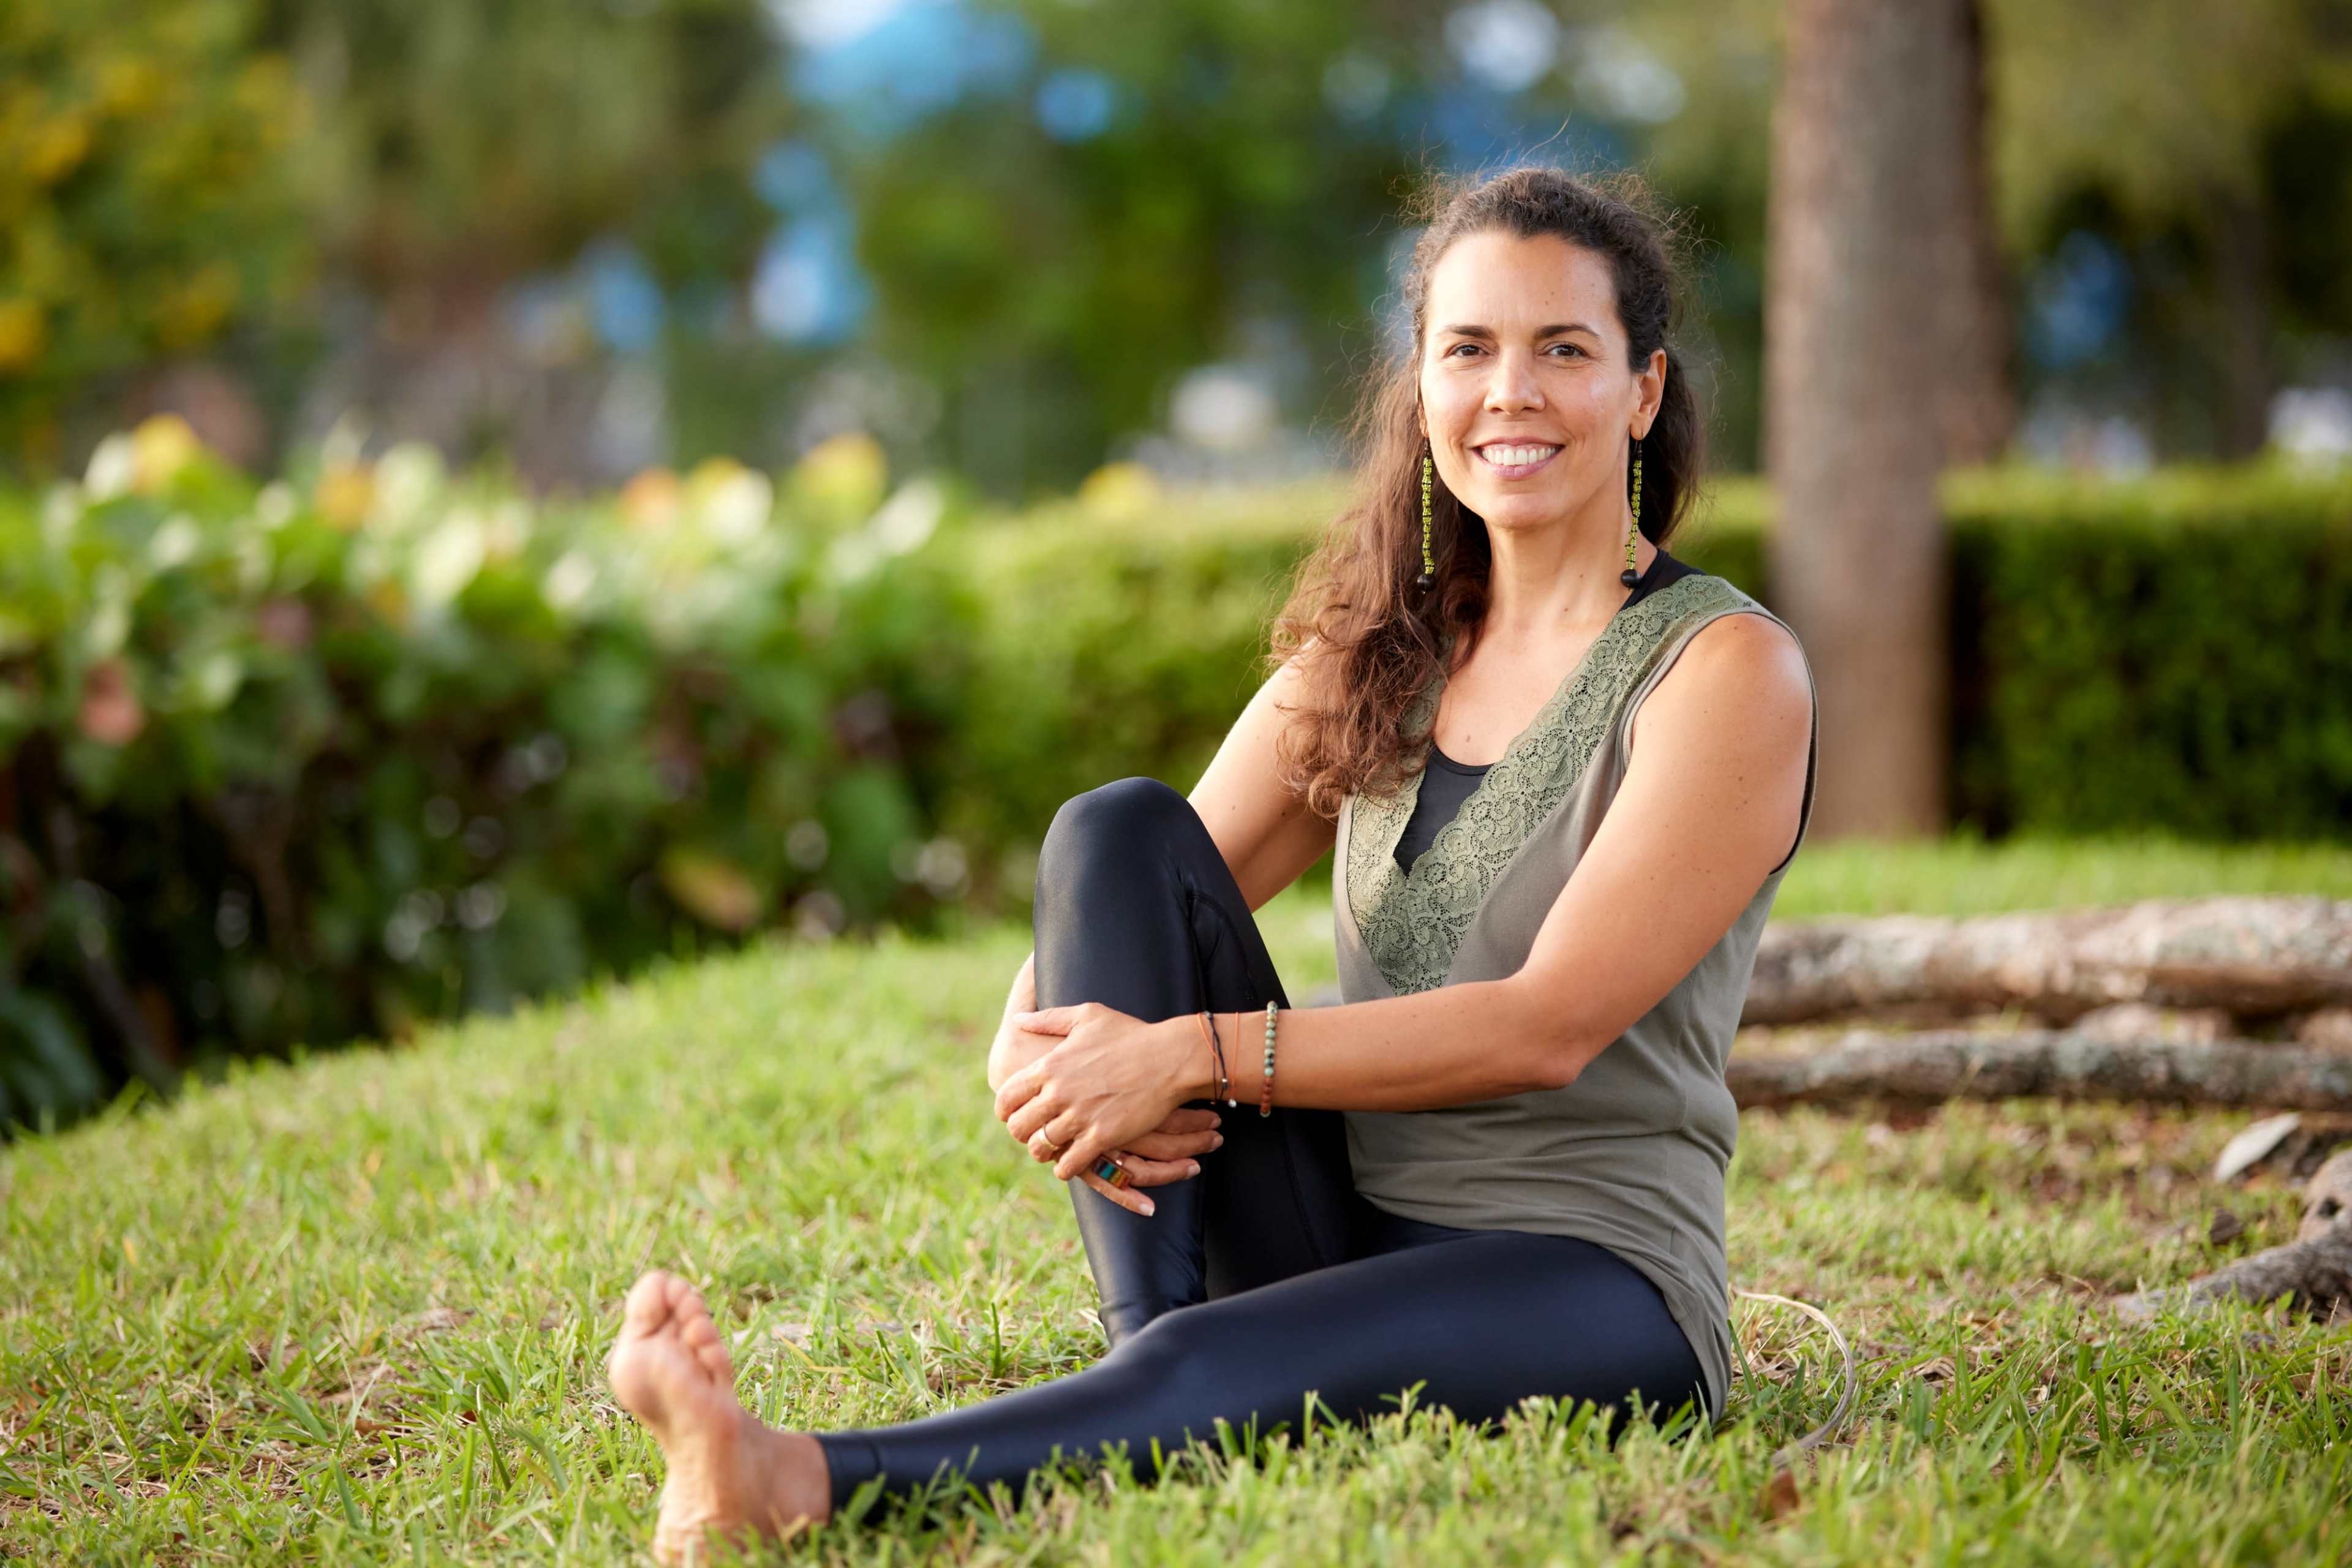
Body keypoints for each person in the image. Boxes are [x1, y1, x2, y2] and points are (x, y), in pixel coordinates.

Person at [603, 163, 1818, 1563]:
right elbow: (1141, 875)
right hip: (1341, 1217)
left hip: (1590, 1277)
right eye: (1469, 349)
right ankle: (1161, 1359)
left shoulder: (1723, 669)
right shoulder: (1390, 647)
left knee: (1229, 1362)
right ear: (1422, 387)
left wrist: (1190, 1053)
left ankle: (789, 1474)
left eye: (1565, 350)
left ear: (1644, 390)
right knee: (1111, 826)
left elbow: (1551, 1027)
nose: (1512, 394)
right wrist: (1034, 1033)